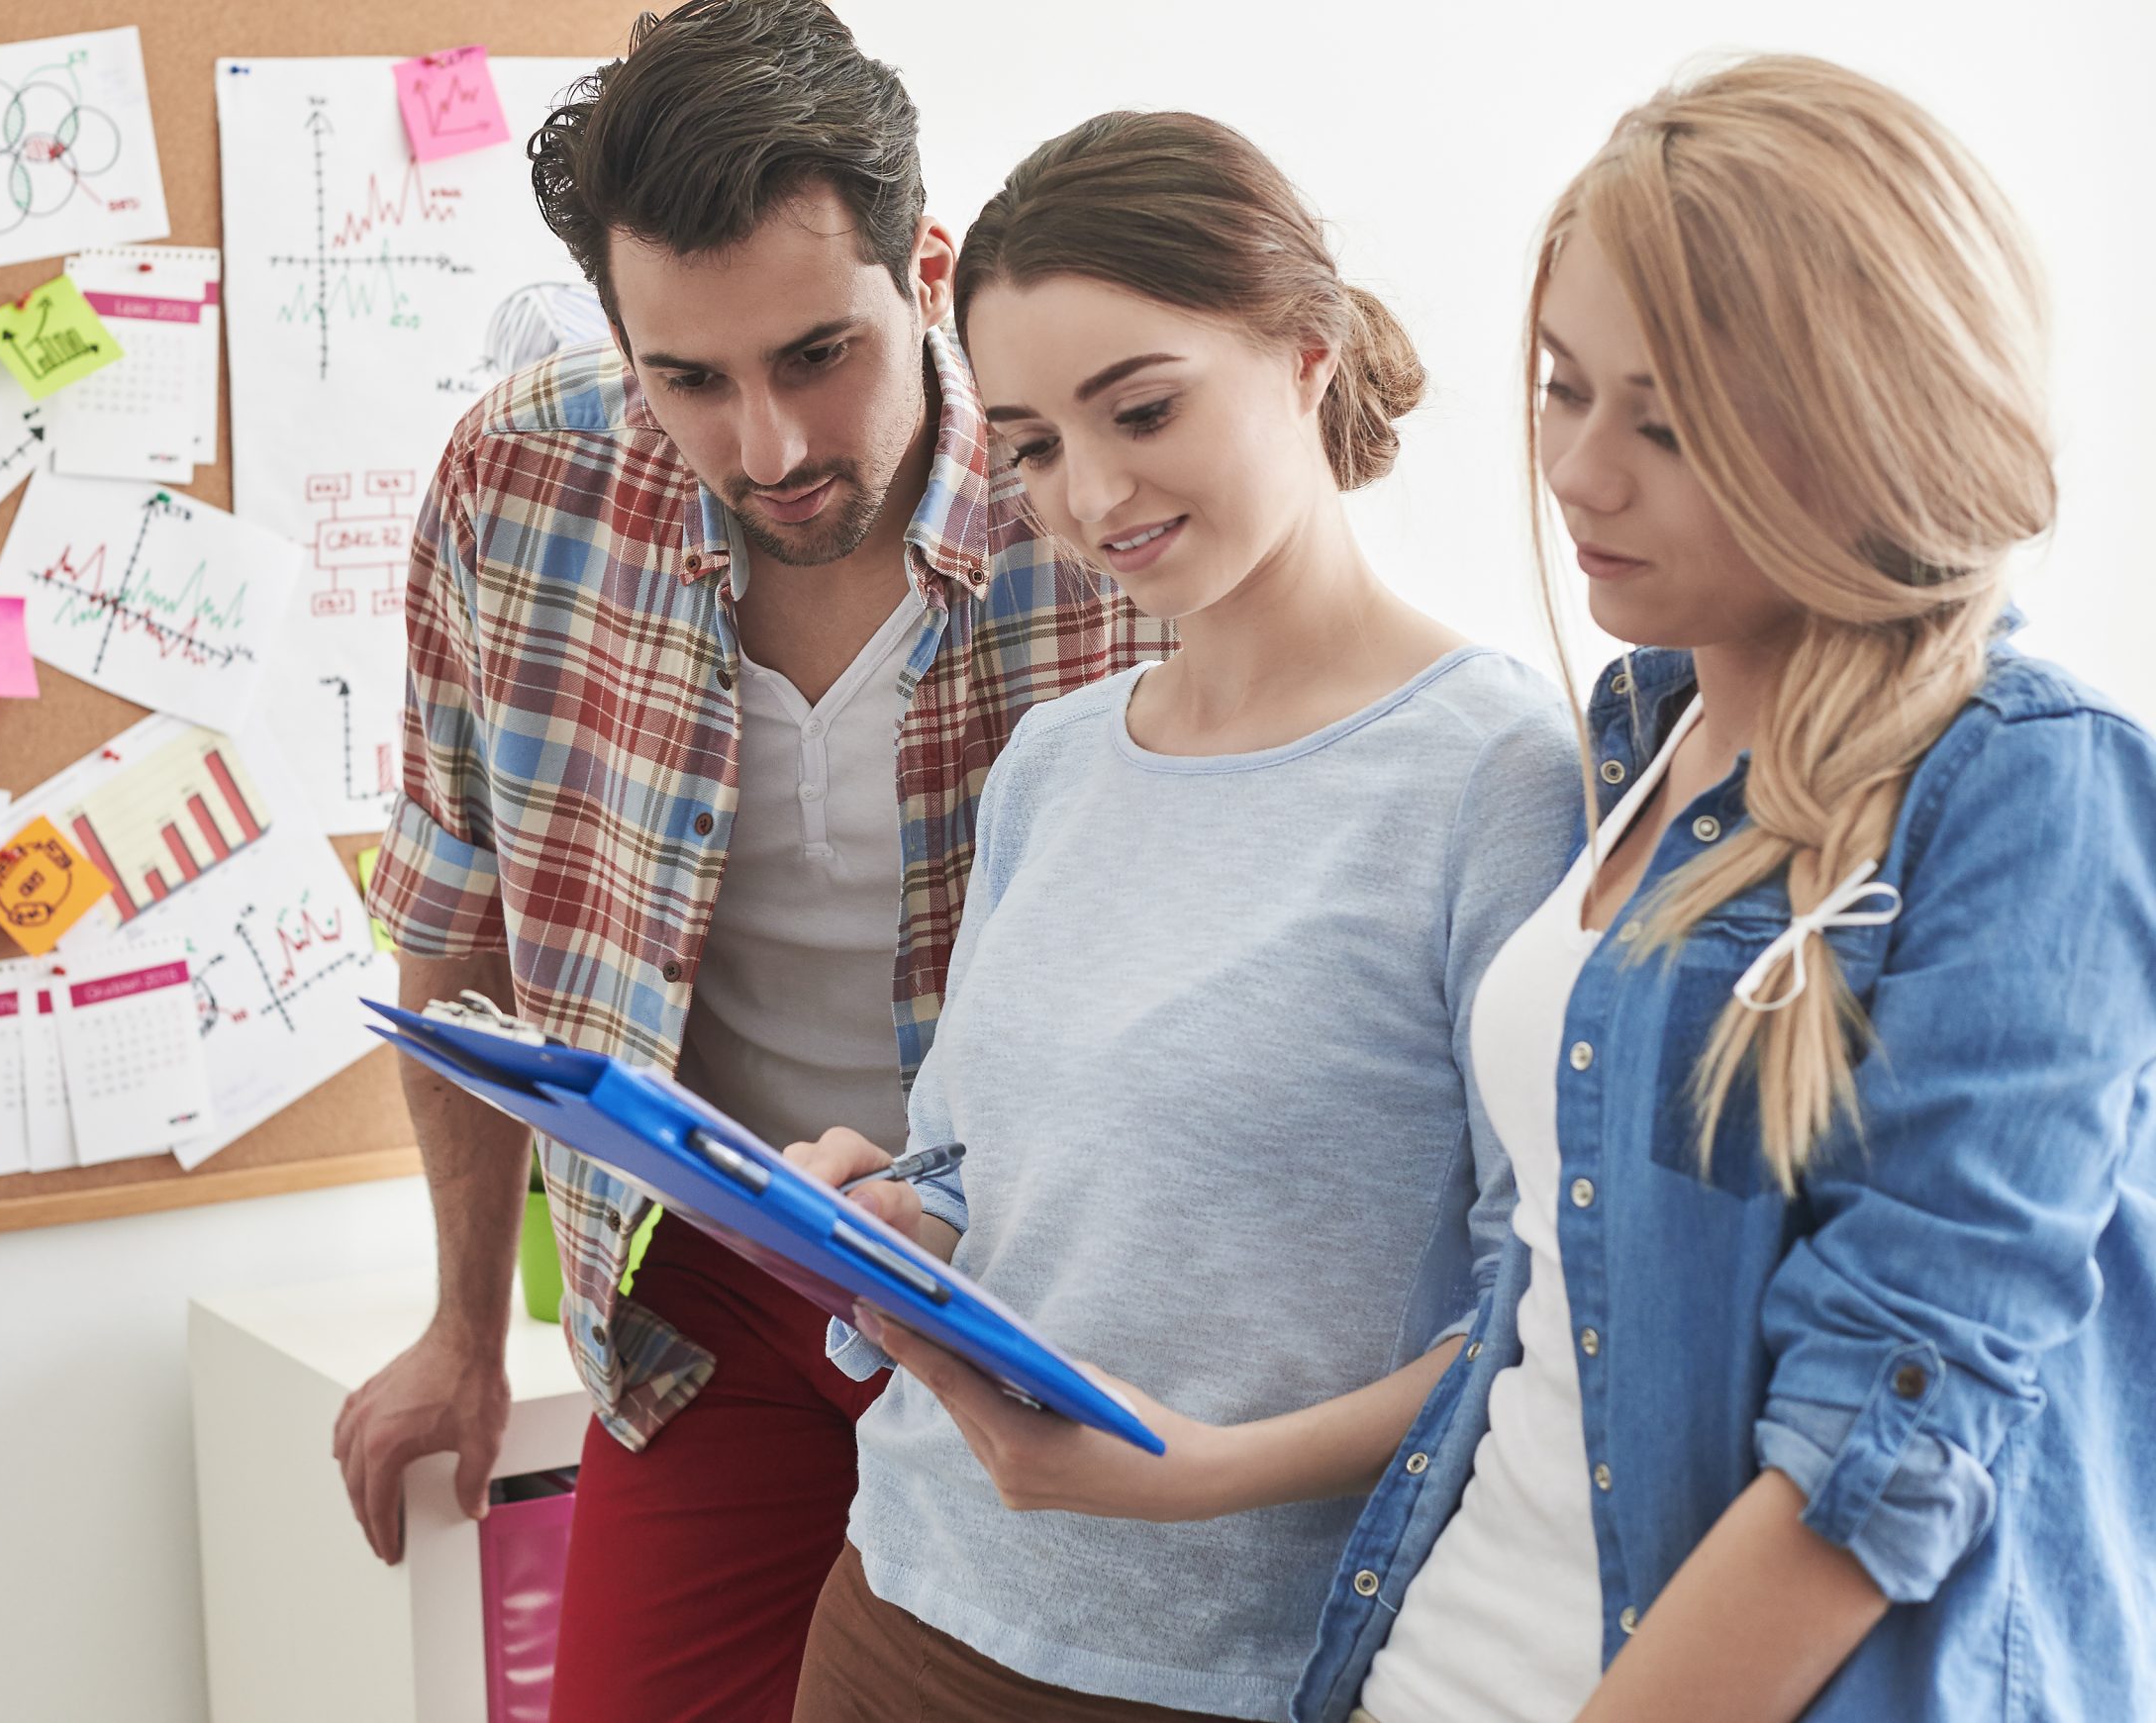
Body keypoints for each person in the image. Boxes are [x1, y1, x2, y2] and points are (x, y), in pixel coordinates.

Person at [855, 55, 2156, 1723]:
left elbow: (1890, 1436)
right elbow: (1550, 1306)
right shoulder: (1644, 740)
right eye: (1563, 389)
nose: (1581, 473)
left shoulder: (2027, 779)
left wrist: (1215, 1469)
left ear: (1873, 405)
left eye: (1665, 420)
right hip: (1417, 1650)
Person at [334, 5, 1165, 1717]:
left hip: (1035, 1288)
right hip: (707, 1279)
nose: (769, 448)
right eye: (690, 380)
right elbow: (454, 928)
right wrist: (464, 1325)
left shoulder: (1099, 506)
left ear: (925, 272)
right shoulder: (520, 481)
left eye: (815, 355)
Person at [782, 112, 1582, 1722]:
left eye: (1141, 409)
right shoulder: (1055, 760)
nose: (1090, 495)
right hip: (897, 1602)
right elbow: (977, 1166)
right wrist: (888, 1217)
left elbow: (1547, 1315)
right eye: (1030, 446)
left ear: (1307, 354)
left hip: (1213, 1664)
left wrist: (1207, 1469)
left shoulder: (1500, 781)